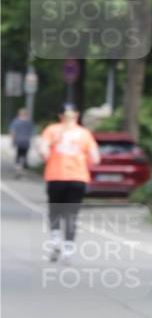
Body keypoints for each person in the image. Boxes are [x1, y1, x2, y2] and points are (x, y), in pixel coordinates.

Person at [39, 102, 100, 262]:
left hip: (56, 176)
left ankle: (55, 240)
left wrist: (51, 157)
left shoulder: (52, 130)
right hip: (78, 178)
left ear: (60, 116)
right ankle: (68, 250)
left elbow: (43, 151)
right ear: (77, 115)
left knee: (55, 211)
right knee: (71, 215)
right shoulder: (85, 133)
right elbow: (95, 158)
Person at [9, 107, 34, 177]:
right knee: (24, 155)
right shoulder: (29, 122)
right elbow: (32, 133)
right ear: (26, 114)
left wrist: (13, 141)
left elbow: (13, 132)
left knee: (18, 155)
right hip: (26, 141)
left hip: (18, 141)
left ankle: (18, 169)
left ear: (19, 114)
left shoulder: (16, 122)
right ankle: (23, 167)